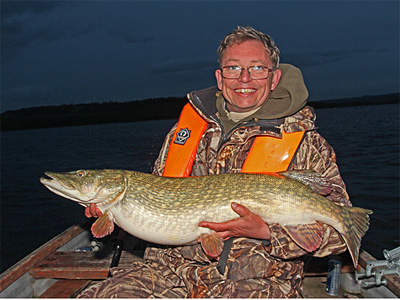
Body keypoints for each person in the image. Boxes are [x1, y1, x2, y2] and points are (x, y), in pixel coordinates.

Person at [79, 26, 351, 298]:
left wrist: (268, 232)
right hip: (169, 273)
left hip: (257, 284)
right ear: (220, 78)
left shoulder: (308, 145)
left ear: (274, 78)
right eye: (233, 68)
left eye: (257, 68)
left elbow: (341, 233)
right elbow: (153, 202)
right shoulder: (182, 134)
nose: (244, 78)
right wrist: (114, 213)